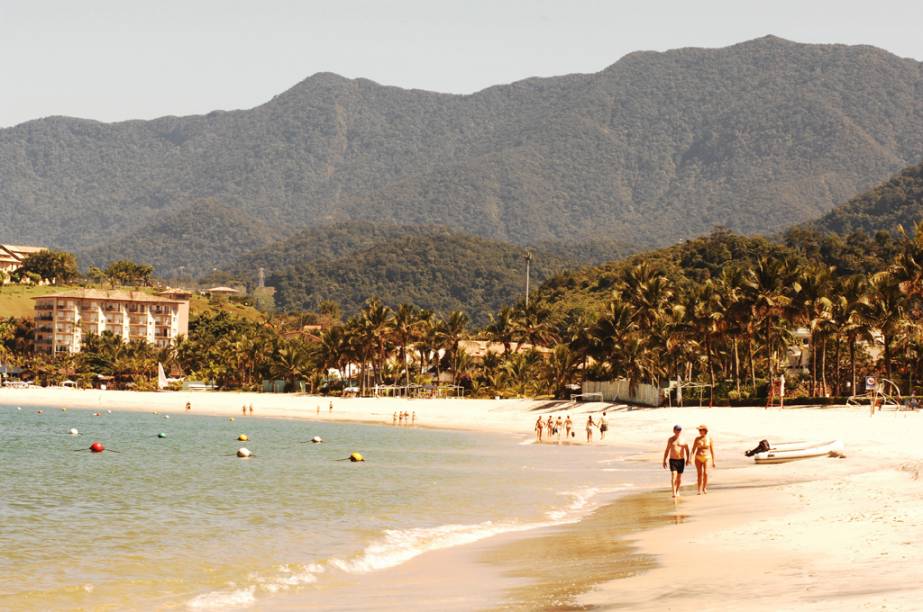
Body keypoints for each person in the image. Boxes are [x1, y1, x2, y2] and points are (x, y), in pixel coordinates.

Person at [662, 425, 690, 498]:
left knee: (679, 478)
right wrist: (664, 460)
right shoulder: (671, 439)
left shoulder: (684, 440)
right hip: (673, 460)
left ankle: (677, 490)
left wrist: (688, 459)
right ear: (674, 430)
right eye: (677, 430)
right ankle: (674, 492)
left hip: (681, 460)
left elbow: (687, 450)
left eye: (679, 430)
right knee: (674, 475)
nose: (678, 431)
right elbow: (667, 449)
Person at [691, 425, 716, 495]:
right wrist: (690, 458)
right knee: (699, 474)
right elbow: (693, 449)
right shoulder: (697, 439)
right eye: (699, 430)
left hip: (706, 457)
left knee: (706, 473)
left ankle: (704, 488)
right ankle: (699, 489)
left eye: (701, 430)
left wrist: (713, 461)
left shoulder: (709, 439)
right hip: (698, 457)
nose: (699, 431)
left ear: (705, 430)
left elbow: (712, 450)